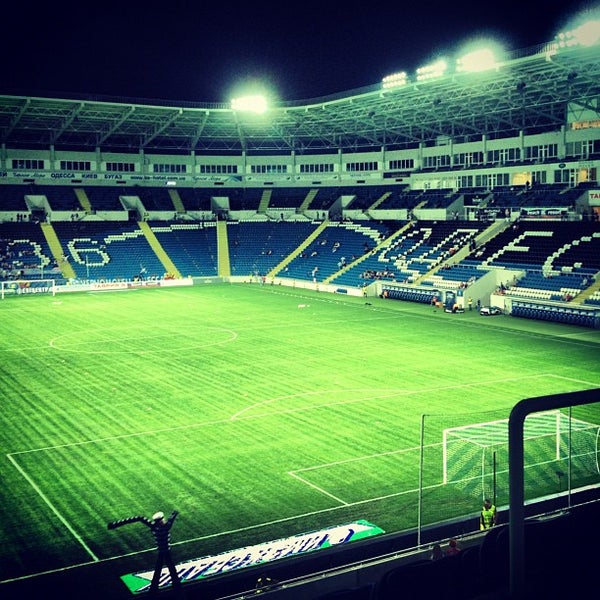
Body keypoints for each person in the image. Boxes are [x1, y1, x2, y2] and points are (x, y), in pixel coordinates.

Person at [108, 510, 182, 595]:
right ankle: (176, 585)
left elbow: (139, 518)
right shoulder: (165, 527)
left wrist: (115, 524)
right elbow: (171, 520)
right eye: (163, 519)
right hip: (166, 552)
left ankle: (154, 588)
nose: (164, 520)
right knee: (171, 569)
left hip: (161, 552)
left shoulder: (153, 527)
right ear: (161, 521)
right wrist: (174, 513)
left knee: (159, 570)